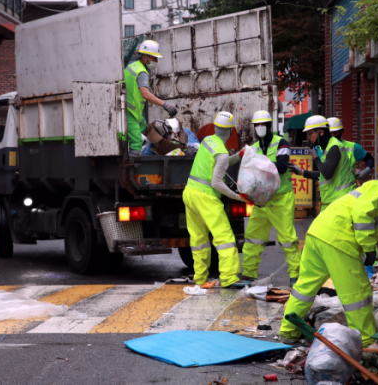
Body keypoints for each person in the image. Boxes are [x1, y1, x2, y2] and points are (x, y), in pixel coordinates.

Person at [279, 156, 378, 345]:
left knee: (305, 288)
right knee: (358, 295)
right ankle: (366, 343)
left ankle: (288, 331)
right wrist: (368, 246)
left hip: (319, 232)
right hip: (339, 239)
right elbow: (361, 213)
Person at [183, 111, 250, 288]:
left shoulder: (207, 141)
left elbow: (223, 162)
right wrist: (238, 197)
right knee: (224, 237)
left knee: (199, 239)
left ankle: (200, 279)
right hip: (206, 196)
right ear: (230, 131)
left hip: (190, 192)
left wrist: (240, 155)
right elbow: (216, 182)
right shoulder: (220, 151)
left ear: (214, 127)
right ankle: (229, 277)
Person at [235, 111, 300, 287]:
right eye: (257, 125)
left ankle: (295, 276)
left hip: (280, 199)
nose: (260, 128)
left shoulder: (281, 143)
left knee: (288, 239)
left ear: (270, 126)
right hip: (262, 201)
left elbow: (281, 167)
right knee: (253, 238)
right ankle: (248, 273)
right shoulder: (254, 148)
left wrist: (257, 167)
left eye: (263, 124)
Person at [288, 115, 355, 211]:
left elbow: (327, 173)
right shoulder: (326, 148)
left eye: (310, 133)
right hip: (332, 201)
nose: (309, 137)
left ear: (321, 132)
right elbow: (322, 174)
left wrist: (315, 157)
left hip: (341, 201)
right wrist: (301, 172)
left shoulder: (334, 147)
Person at [124, 40, 178, 156]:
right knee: (136, 144)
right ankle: (130, 170)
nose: (156, 61)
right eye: (154, 58)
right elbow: (145, 94)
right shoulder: (141, 72)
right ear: (144, 57)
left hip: (131, 112)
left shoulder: (131, 67)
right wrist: (165, 104)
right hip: (130, 114)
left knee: (146, 128)